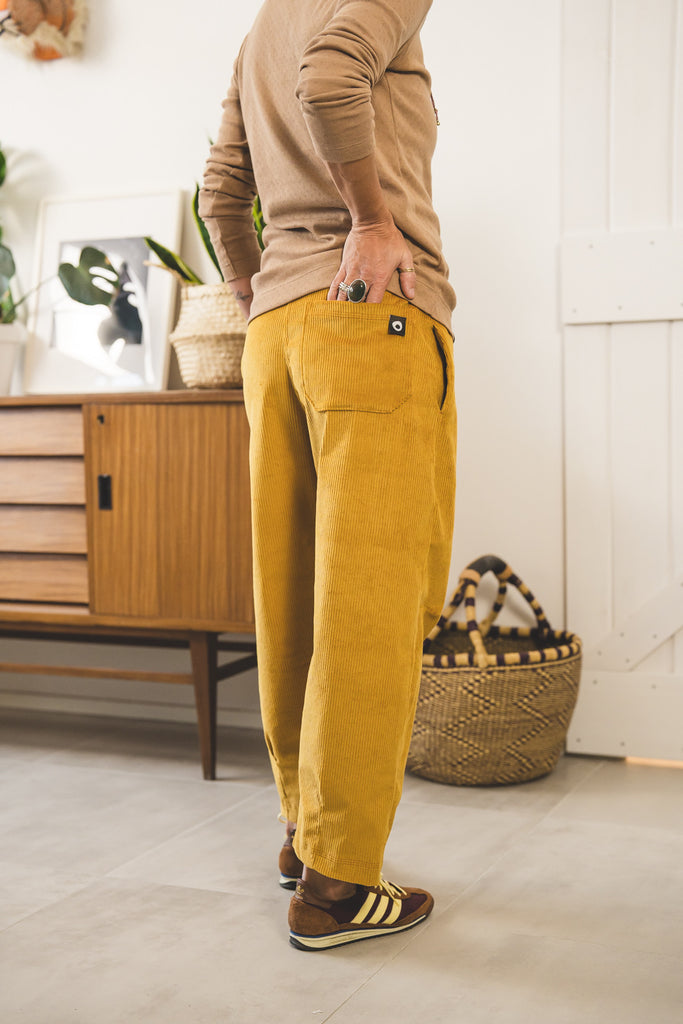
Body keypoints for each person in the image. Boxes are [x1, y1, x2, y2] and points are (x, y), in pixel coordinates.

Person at [199, 0, 457, 951]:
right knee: (370, 605)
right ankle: (338, 886)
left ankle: (302, 833)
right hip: (369, 310)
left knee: (294, 596)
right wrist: (373, 221)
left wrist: (254, 287)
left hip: (275, 334)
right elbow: (331, 79)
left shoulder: (262, 26)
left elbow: (219, 190)